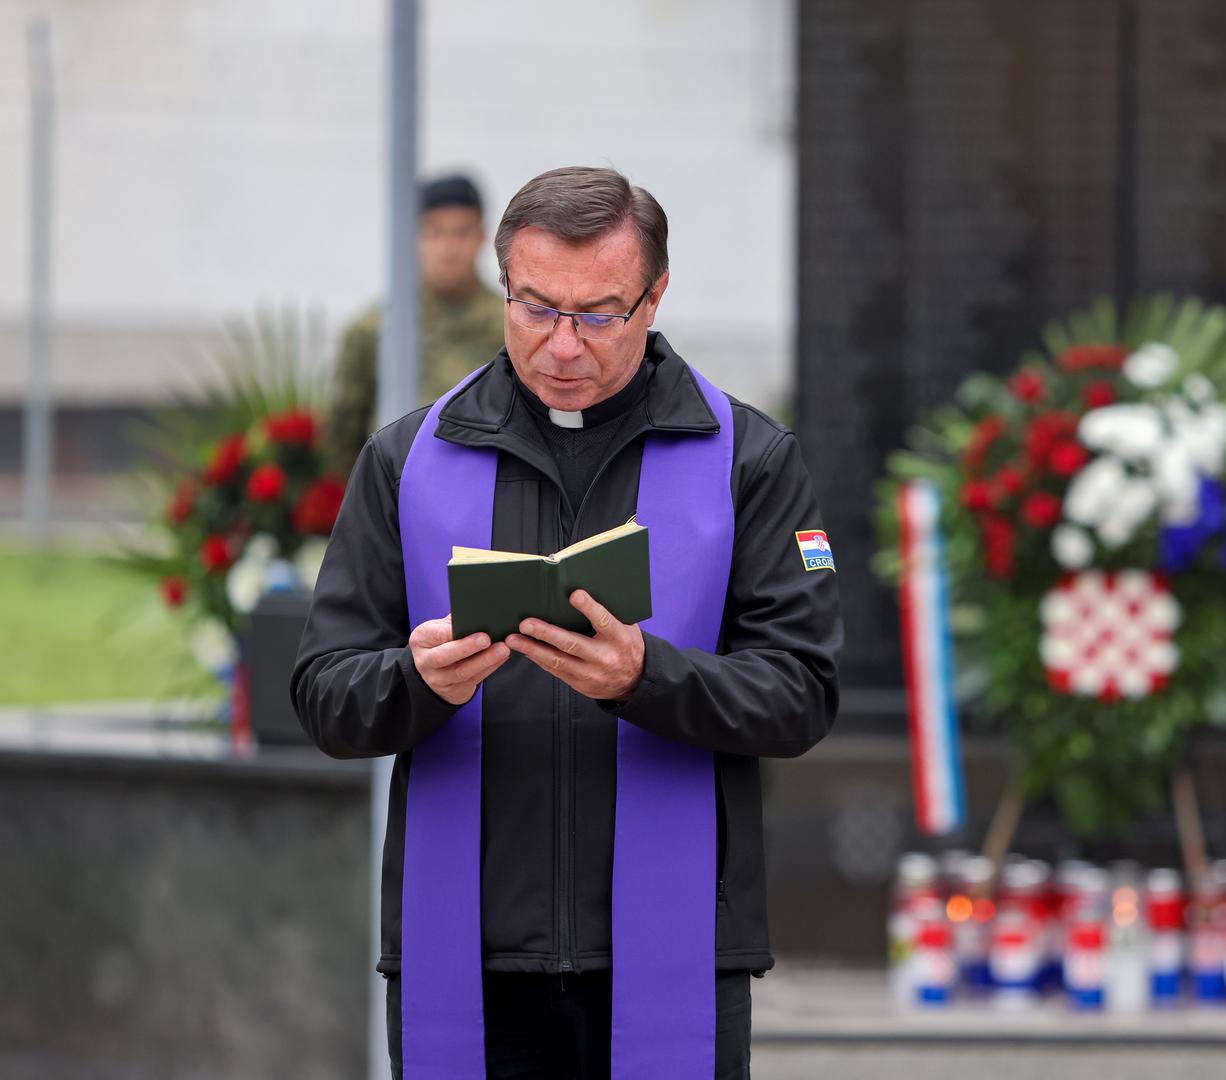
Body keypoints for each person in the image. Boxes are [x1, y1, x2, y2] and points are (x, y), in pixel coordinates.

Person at [292, 166, 841, 1079]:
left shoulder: (752, 460)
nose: (562, 345)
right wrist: (413, 682)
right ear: (503, 283)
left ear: (655, 295)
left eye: (598, 314)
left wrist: (645, 678)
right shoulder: (405, 459)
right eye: (536, 306)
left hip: (676, 959)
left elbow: (803, 693)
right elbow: (322, 690)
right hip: (467, 960)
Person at [326, 173, 507, 471]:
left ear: (482, 236)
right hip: (393, 491)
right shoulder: (374, 329)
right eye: (434, 232)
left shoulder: (510, 327)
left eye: (461, 233)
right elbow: (343, 434)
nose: (448, 249)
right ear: (414, 237)